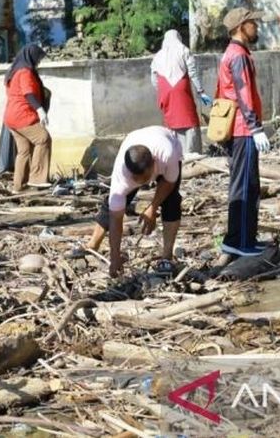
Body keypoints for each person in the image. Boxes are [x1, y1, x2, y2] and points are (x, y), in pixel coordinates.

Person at [83, 126, 184, 278]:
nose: (140, 183)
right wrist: (115, 257)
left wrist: (152, 209)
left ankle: (167, 258)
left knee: (171, 202)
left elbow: (169, 183)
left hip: (166, 139)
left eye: (144, 178)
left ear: (154, 165)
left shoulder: (167, 154)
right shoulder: (121, 175)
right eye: (135, 179)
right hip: (134, 137)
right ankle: (93, 244)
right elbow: (116, 218)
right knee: (112, 203)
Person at [215, 8, 271, 267]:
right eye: (253, 23)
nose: (256, 27)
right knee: (245, 186)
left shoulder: (237, 53)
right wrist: (255, 127)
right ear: (241, 26)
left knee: (248, 184)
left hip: (240, 128)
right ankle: (239, 241)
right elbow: (244, 93)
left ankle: (244, 237)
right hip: (242, 129)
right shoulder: (238, 55)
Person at [151, 29, 212, 156]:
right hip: (181, 87)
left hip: (165, 90)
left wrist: (163, 92)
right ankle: (192, 152)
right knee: (189, 119)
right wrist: (201, 91)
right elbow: (193, 73)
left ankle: (176, 154)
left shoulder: (158, 55)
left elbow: (154, 79)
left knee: (172, 121)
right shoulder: (183, 50)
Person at [3, 44, 53, 192]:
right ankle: (37, 179)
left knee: (24, 151)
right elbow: (28, 93)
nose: (38, 62)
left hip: (11, 117)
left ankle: (18, 187)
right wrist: (40, 110)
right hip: (22, 115)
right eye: (38, 59)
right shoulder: (25, 72)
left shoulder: (14, 71)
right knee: (43, 138)